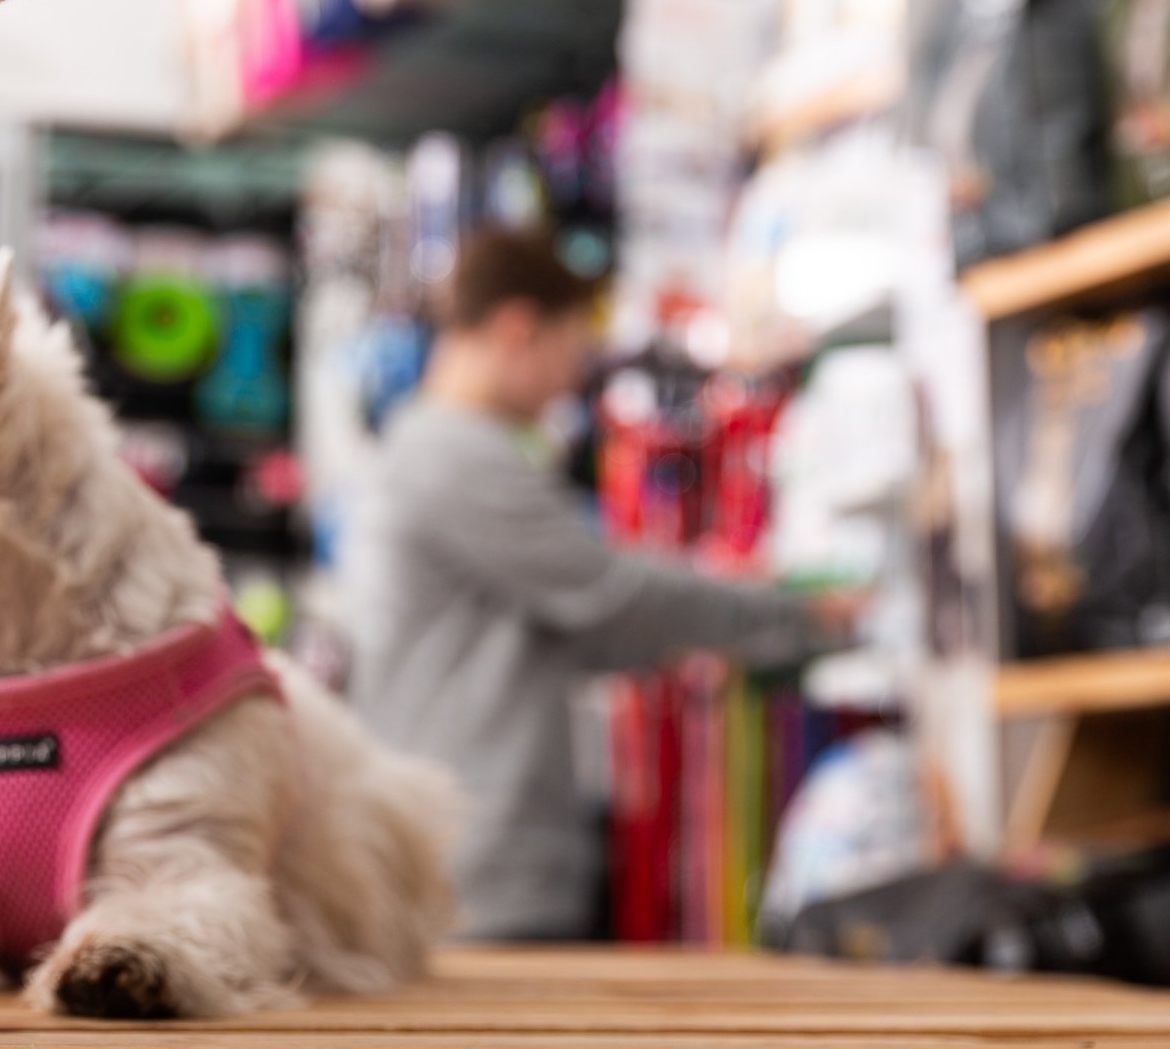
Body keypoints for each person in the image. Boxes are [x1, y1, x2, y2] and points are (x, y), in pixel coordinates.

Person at [347, 228, 845, 942]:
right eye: (571, 348)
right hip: (477, 871)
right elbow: (609, 593)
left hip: (475, 861)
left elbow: (586, 627)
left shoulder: (434, 449)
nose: (570, 379)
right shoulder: (451, 456)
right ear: (519, 328)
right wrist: (800, 612)